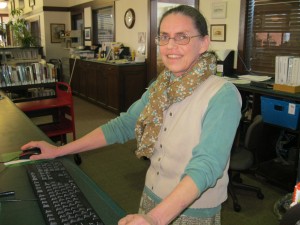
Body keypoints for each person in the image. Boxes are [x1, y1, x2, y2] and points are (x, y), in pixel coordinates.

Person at [22, 5, 242, 225]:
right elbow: (123, 125)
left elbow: (207, 165)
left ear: (204, 43)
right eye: (164, 37)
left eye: (182, 37)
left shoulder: (222, 95)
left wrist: (155, 218)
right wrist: (59, 150)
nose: (170, 46)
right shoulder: (160, 86)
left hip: (190, 211)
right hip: (150, 199)